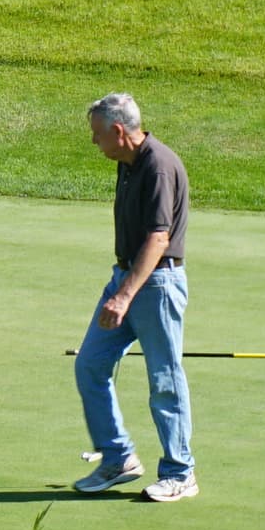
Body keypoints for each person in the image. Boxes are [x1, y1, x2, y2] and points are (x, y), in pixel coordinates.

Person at [72, 92, 194, 501]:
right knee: (90, 363)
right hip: (126, 277)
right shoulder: (127, 163)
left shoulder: (157, 166)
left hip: (156, 286)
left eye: (97, 134)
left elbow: (159, 238)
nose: (94, 143)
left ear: (118, 131)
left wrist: (123, 297)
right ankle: (118, 457)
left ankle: (180, 472)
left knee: (164, 380)